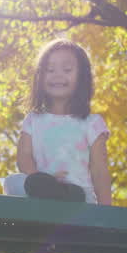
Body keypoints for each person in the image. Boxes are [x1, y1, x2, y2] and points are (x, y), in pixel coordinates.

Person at [11, 39, 113, 205]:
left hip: (78, 199)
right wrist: (39, 179)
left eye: (67, 69)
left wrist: (107, 211)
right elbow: (24, 156)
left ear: (82, 77)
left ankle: (63, 194)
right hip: (39, 200)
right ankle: (47, 192)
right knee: (12, 182)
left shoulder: (92, 123)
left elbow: (99, 171)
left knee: (74, 193)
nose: (57, 75)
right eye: (50, 70)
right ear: (39, 76)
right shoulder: (33, 120)